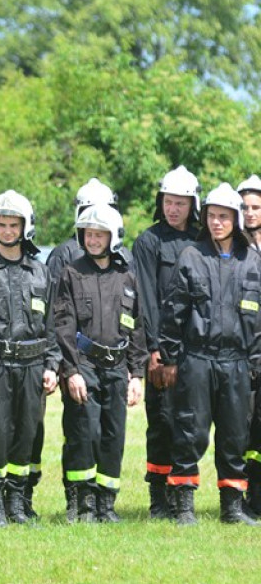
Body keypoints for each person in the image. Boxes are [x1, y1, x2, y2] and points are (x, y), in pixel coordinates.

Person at [160, 183, 261, 526]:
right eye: (212, 216)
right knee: (190, 431)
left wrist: (256, 363)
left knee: (235, 435)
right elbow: (174, 312)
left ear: (236, 220)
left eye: (224, 217)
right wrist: (169, 357)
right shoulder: (191, 256)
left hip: (237, 363)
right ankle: (183, 505)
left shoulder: (253, 262)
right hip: (197, 359)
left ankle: (232, 507)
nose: (217, 222)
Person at [0, 190, 60, 526]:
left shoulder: (40, 272)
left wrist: (52, 365)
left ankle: (17, 501)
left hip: (33, 365)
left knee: (26, 434)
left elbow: (52, 325)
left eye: (13, 225)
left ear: (25, 227)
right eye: (2, 224)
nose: (7, 231)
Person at [45, 178, 134, 519]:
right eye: (88, 233)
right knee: (84, 432)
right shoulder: (69, 270)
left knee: (113, 435)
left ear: (113, 235)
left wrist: (137, 372)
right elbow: (62, 324)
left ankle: (106, 503)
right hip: (83, 364)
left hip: (117, 367)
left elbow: (135, 325)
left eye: (100, 234)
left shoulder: (126, 275)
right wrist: (70, 370)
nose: (93, 239)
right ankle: (80, 502)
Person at [131, 165, 200, 519]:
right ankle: (159, 497)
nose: (173, 209)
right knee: (162, 422)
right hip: (162, 349)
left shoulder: (202, 240)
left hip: (199, 350)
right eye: (168, 202)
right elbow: (144, 298)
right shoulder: (148, 242)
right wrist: (154, 350)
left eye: (180, 203)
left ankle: (181, 493)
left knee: (191, 424)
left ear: (193, 205)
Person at [238, 175, 261, 516]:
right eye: (244, 207)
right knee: (244, 429)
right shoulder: (236, 249)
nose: (250, 213)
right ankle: (245, 497)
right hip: (243, 351)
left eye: (256, 207)